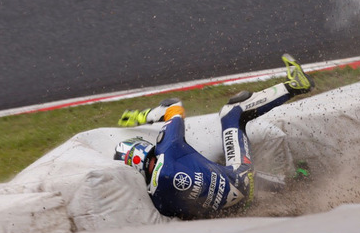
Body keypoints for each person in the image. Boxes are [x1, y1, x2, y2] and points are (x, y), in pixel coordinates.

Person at [113, 54, 314, 219]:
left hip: (235, 211)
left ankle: (290, 184)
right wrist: (141, 117)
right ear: (143, 149)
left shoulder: (158, 202)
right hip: (242, 179)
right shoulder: (168, 148)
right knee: (232, 111)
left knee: (221, 174)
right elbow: (173, 106)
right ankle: (295, 85)